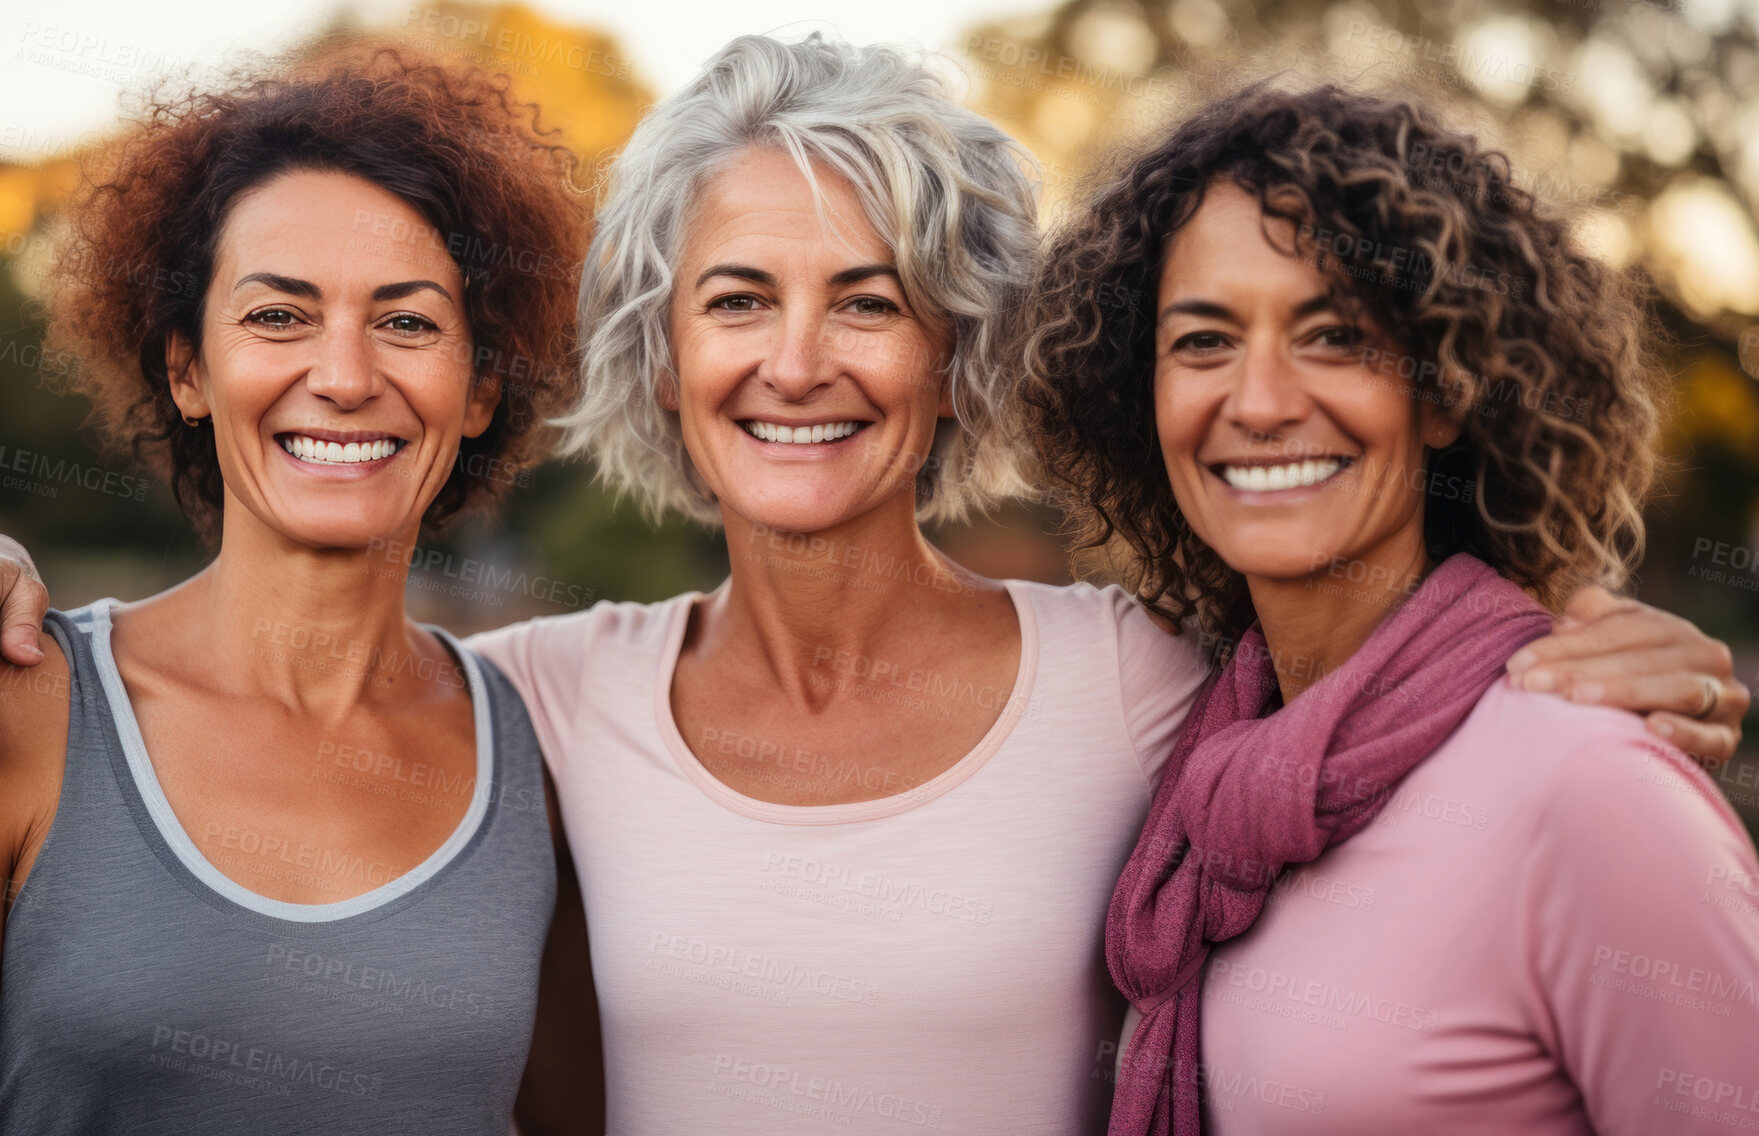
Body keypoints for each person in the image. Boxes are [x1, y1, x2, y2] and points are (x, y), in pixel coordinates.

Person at [0, 34, 1742, 1135]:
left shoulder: (1143, 679)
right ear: (659, 354)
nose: (798, 361)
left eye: (870, 298)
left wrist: (1564, 635)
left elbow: (1374, 683)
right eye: (738, 299)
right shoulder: (538, 698)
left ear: (953, 350)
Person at [1024, 80, 1759, 1135]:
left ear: (1447, 389)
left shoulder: (1592, 789)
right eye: (1202, 341)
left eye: (1332, 334)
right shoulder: (1190, 784)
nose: (1262, 400)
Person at [0, 46, 600, 1135]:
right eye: (279, 315)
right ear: (187, 367)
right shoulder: (27, 704)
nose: (343, 374)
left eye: (408, 321)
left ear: (480, 390)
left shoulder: (543, 759)